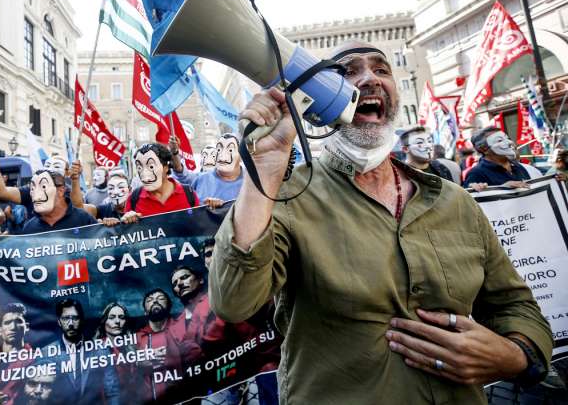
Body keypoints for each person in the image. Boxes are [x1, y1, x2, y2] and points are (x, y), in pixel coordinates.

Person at [208, 41, 552, 404]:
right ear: (320, 104)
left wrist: (513, 355)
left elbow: (516, 306)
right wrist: (265, 169)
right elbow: (233, 301)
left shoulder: (456, 202)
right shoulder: (288, 198)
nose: (370, 78)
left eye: (381, 69)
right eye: (349, 72)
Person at [47, 299, 119, 405]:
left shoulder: (100, 350)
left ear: (81, 320)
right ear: (59, 321)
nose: (70, 324)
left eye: (75, 318)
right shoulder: (47, 353)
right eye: (66, 318)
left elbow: (112, 390)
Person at [121, 143, 199, 223]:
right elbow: (126, 232)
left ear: (166, 168)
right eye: (139, 167)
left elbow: (201, 226)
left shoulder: (189, 194)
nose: (144, 173)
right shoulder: (134, 198)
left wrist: (211, 208)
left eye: (151, 167)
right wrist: (127, 221)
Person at [136, 289, 188, 401]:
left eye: (160, 298)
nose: (155, 301)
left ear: (169, 307)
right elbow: (125, 368)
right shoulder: (137, 338)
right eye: (150, 300)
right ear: (145, 311)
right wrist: (138, 362)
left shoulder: (183, 329)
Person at [18, 170, 96, 234]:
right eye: (32, 188)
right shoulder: (29, 228)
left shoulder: (83, 219)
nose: (35, 194)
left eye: (43, 187)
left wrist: (107, 225)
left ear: (60, 191)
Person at [176, 133, 243, 205]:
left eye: (230, 150)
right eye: (219, 149)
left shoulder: (251, 181)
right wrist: (175, 153)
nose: (223, 154)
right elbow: (183, 176)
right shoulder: (201, 179)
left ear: (241, 156)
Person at [95, 302, 139, 404]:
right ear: (104, 321)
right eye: (112, 317)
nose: (117, 321)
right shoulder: (98, 349)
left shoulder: (131, 346)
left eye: (121, 317)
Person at [463, 127, 531, 191]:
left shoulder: (518, 167)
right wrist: (501, 189)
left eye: (508, 138)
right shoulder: (476, 174)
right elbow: (471, 200)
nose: (510, 142)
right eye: (500, 140)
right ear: (483, 149)